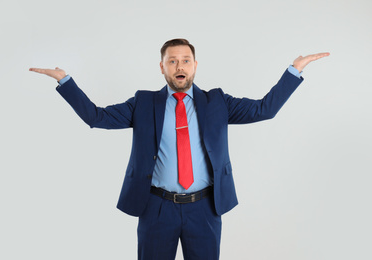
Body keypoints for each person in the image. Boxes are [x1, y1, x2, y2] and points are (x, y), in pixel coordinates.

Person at [29, 38, 329, 260]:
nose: (179, 66)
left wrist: (294, 71)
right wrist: (65, 82)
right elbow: (96, 117)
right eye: (172, 61)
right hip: (157, 208)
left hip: (205, 207)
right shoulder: (144, 103)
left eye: (185, 60)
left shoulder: (218, 102)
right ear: (162, 67)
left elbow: (265, 109)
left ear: (195, 66)